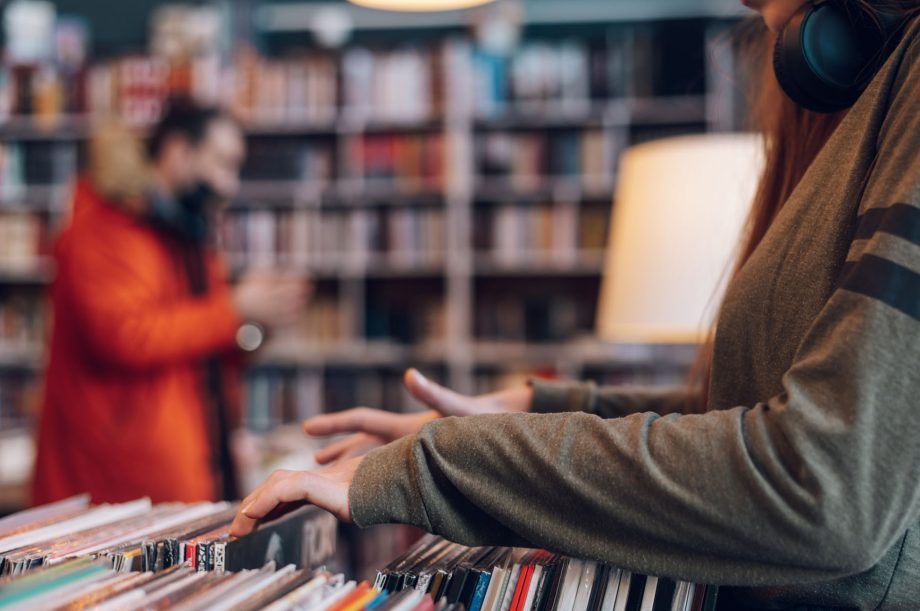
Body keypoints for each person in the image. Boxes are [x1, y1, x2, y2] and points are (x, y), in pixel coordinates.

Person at [232, 0, 920, 608]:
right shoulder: (860, 86)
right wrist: (534, 412)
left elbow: (823, 484)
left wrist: (437, 463)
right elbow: (748, 412)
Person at [33, 98, 309, 505]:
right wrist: (235, 309)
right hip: (119, 484)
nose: (228, 185)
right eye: (221, 163)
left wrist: (257, 323)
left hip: (188, 461)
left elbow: (208, 343)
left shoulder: (187, 232)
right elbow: (124, 337)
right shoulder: (105, 227)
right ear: (178, 151)